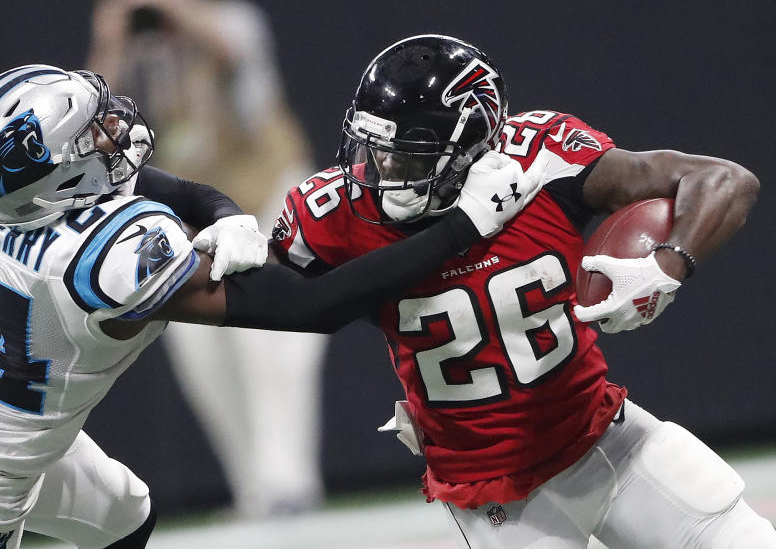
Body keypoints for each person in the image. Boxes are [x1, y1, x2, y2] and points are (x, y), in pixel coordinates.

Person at [0, 64, 540, 548]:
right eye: (90, 134)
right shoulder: (106, 260)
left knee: (126, 516)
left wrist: (228, 212)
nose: (112, 128)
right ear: (57, 176)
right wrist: (462, 227)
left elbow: (167, 185)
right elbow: (313, 306)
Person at [268, 35, 776, 548]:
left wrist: (666, 267)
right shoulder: (331, 213)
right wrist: (228, 236)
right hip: (496, 491)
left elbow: (724, 179)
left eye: (410, 156)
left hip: (605, 436)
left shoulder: (541, 157)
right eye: (376, 152)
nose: (384, 172)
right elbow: (272, 299)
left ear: (471, 145)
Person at [87, 0, 327, 518]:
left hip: (265, 196)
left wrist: (174, 8)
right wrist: (112, 40)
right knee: (204, 361)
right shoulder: (135, 52)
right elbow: (90, 124)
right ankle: (253, 489)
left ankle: (289, 484)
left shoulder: (232, 20)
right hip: (193, 218)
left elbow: (232, 59)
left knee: (275, 351)